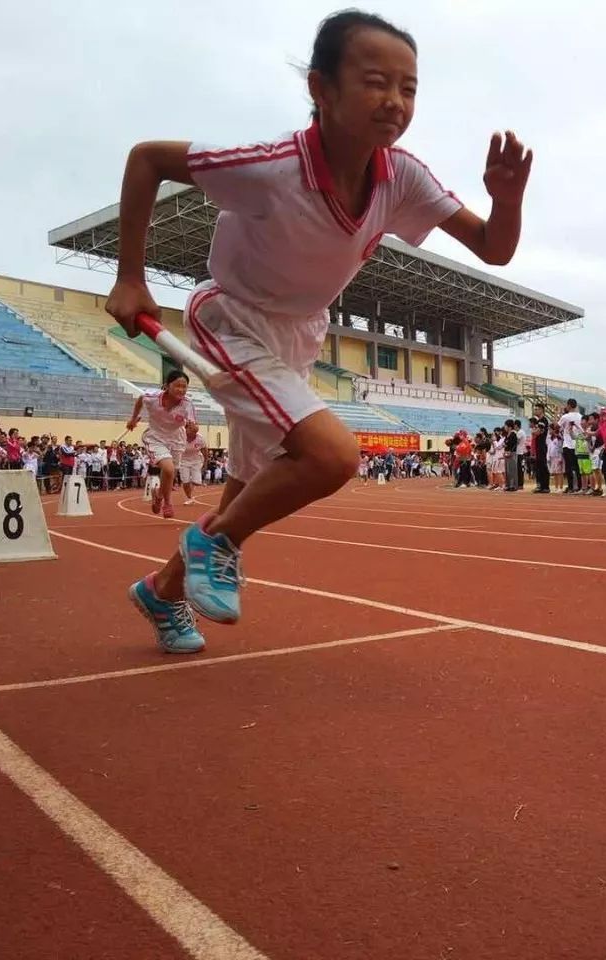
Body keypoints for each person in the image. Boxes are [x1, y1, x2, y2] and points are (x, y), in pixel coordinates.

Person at [104, 10, 533, 652]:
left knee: (251, 489)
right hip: (234, 319)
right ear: (321, 89)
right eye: (375, 81)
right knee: (332, 457)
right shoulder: (273, 168)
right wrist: (130, 277)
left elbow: (494, 250)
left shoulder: (403, 176)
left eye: (408, 88)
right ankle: (208, 544)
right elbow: (147, 161)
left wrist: (507, 199)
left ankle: (162, 592)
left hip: (303, 335)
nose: (394, 101)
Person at [126, 370, 196, 519]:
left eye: (184, 387)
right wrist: (133, 419)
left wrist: (193, 428)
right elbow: (140, 399)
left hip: (177, 438)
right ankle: (167, 503)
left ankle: (158, 496)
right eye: (177, 386)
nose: (181, 390)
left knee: (170, 474)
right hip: (156, 437)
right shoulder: (152, 398)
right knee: (169, 469)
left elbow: (194, 426)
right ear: (167, 386)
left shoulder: (187, 404)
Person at [179, 423, 207, 503]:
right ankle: (189, 497)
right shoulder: (180, 437)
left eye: (196, 432)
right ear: (186, 429)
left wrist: (205, 463)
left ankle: (192, 481)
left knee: (197, 482)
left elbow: (205, 450)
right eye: (192, 431)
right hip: (183, 461)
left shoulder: (200, 438)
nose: (194, 434)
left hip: (196, 461)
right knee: (185, 482)